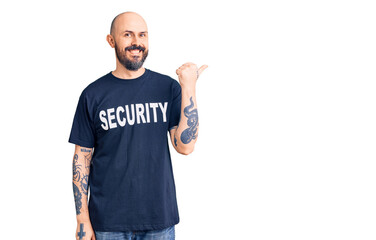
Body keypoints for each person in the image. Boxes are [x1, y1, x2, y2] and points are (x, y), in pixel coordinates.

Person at [68, 11, 207, 240]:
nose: (136, 42)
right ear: (111, 41)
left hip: (158, 220)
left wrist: (189, 87)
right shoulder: (92, 95)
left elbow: (185, 146)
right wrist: (82, 219)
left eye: (142, 35)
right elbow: (81, 158)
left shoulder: (168, 88)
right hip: (107, 222)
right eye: (128, 35)